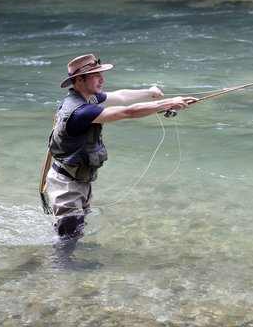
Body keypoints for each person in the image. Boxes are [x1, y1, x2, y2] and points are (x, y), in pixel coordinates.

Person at [46, 53, 197, 238]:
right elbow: (128, 112)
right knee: (67, 238)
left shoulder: (88, 97)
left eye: (101, 74)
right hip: (66, 184)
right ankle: (59, 266)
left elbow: (120, 96)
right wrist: (168, 103)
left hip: (78, 179)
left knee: (75, 231)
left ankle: (68, 264)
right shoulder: (81, 111)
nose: (101, 79)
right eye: (95, 75)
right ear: (79, 79)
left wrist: (148, 92)